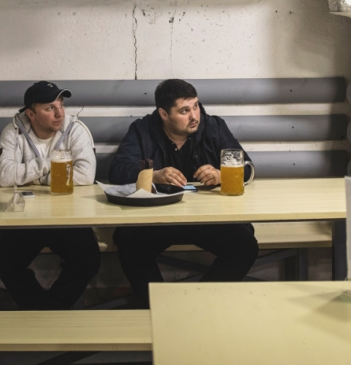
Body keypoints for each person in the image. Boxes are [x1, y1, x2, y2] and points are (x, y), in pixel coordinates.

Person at [108, 79, 258, 306]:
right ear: (163, 114)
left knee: (245, 247)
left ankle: (198, 307)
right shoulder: (142, 129)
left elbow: (247, 167)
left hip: (207, 219)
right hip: (157, 220)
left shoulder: (213, 126)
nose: (194, 116)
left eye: (196, 106)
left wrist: (221, 174)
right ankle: (159, 309)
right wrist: (155, 174)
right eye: (184, 111)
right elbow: (118, 172)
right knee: (129, 245)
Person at [0, 81, 100, 309]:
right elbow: (4, 176)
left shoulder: (75, 128)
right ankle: (46, 312)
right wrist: (48, 165)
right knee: (5, 260)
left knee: (88, 259)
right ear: (31, 113)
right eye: (50, 108)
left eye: (61, 104)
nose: (59, 112)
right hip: (24, 218)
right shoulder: (13, 130)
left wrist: (34, 177)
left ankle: (50, 311)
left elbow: (86, 175)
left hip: (68, 217)